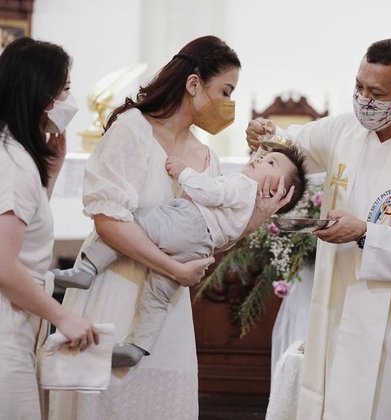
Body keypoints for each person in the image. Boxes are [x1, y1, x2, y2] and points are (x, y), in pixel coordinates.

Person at [49, 36, 291, 420]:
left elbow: (208, 237)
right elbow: (109, 223)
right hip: (114, 294)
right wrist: (174, 269)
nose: (229, 103)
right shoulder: (132, 129)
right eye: (225, 91)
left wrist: (257, 216)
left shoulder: (206, 157)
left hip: (164, 317)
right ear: (194, 84)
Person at [247, 38, 391, 420]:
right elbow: (291, 150)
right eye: (358, 86)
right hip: (338, 304)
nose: (363, 99)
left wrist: (365, 233)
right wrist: (264, 137)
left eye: (376, 93)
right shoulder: (345, 130)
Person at [53, 149, 306, 367]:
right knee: (159, 295)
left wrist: (184, 172)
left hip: (186, 221)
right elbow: (230, 230)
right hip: (199, 248)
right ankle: (136, 345)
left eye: (270, 163)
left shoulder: (243, 185)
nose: (260, 158)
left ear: (276, 189)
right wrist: (263, 160)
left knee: (131, 227)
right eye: (263, 156)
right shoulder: (250, 206)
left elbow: (211, 192)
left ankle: (88, 267)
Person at [0, 37, 99, 420]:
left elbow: (22, 233)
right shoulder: (13, 160)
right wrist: (63, 317)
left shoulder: (15, 153)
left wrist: (50, 177)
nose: (69, 102)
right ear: (42, 95)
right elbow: (5, 267)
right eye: (66, 91)